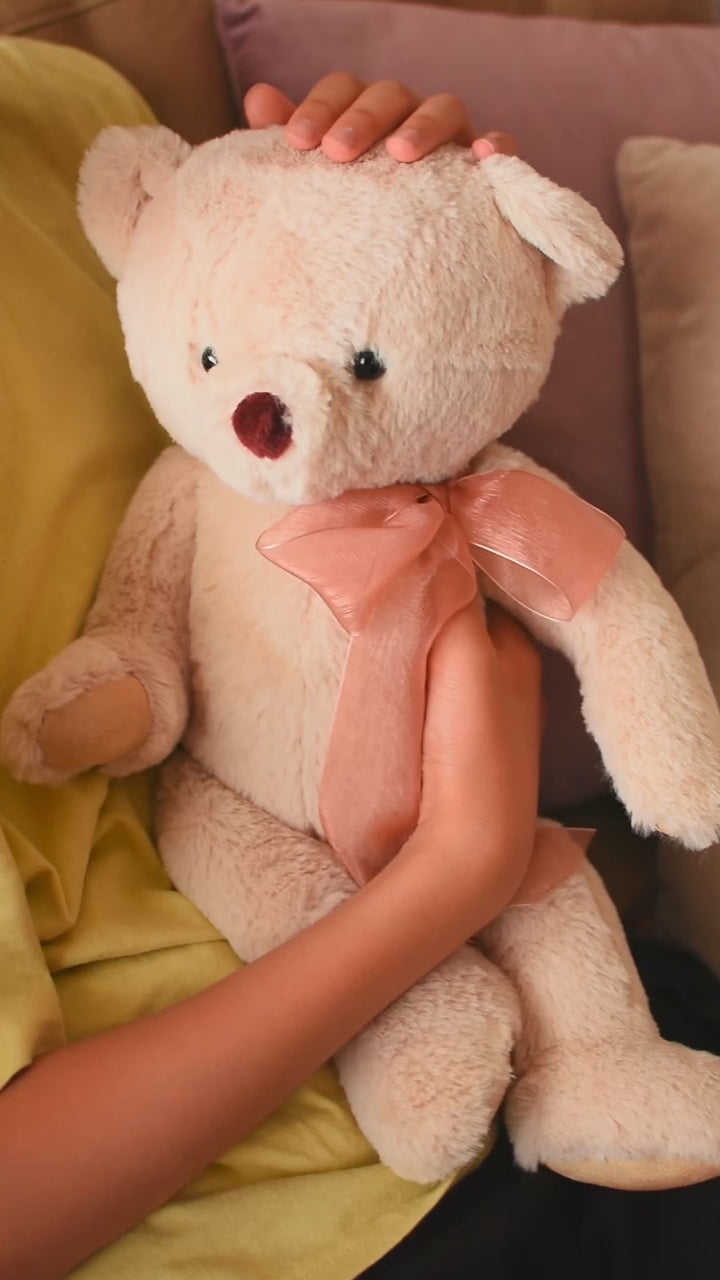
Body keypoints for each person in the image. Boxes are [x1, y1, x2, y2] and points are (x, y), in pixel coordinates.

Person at [2, 72, 719, 1280]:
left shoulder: (66, 100)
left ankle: (601, 1059)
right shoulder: (190, 494)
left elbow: (600, 596)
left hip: (594, 1003)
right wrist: (454, 871)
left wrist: (436, 228)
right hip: (294, 1203)